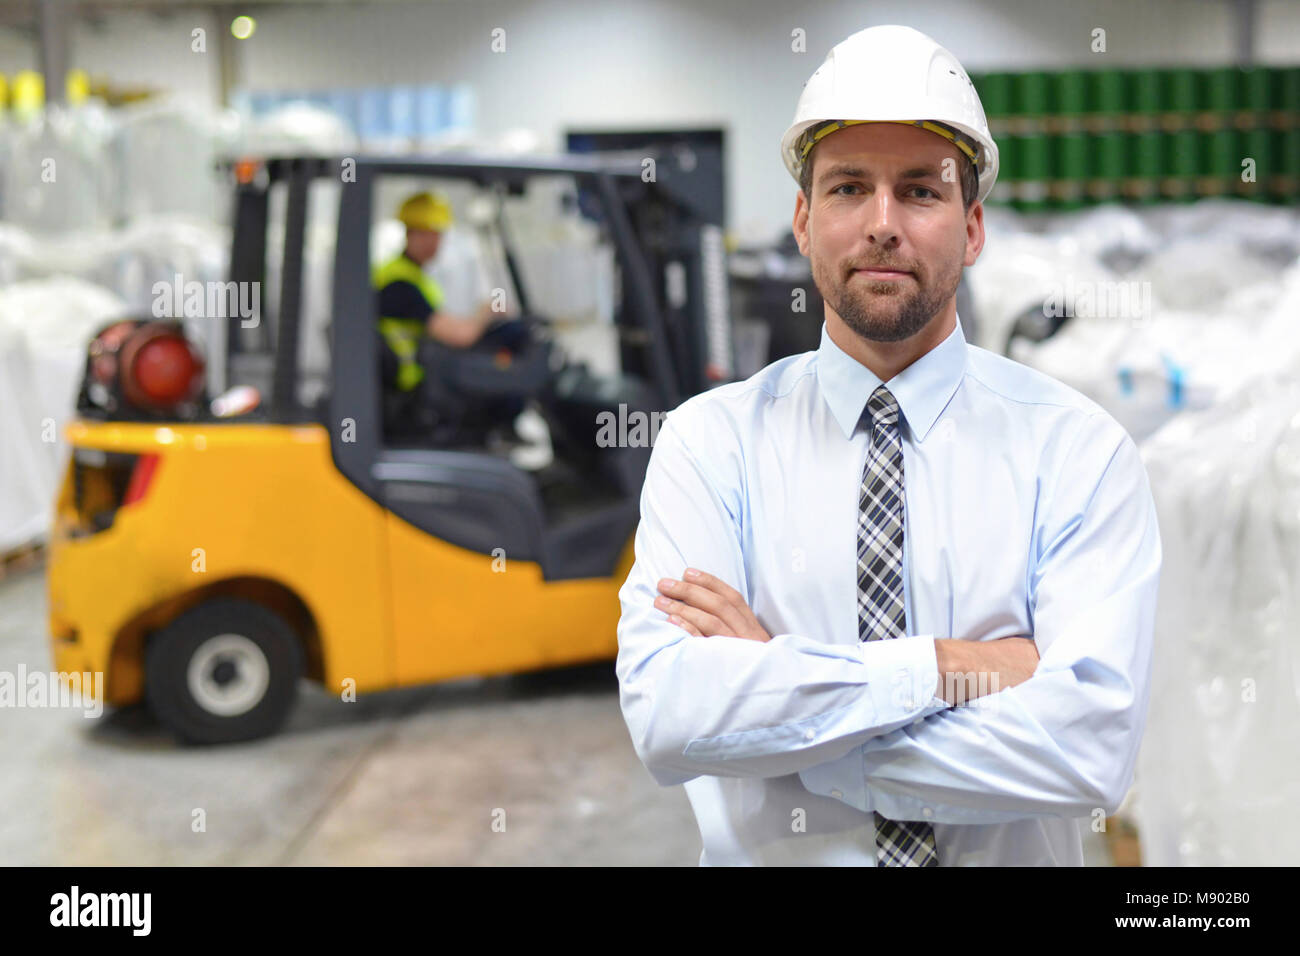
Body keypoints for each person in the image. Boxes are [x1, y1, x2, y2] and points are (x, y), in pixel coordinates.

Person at [615, 24, 1162, 866]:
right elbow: (670, 716)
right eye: (846, 190)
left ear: (973, 228)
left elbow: (1085, 752)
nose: (881, 224)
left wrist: (790, 711)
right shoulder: (707, 447)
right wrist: (947, 668)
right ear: (802, 221)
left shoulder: (1077, 453)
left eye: (920, 190)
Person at [374, 191, 530, 439]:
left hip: (421, 379)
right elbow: (459, 336)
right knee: (497, 380)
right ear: (411, 233)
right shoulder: (399, 284)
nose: (436, 242)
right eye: (429, 234)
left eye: (438, 235)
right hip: (413, 392)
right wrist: (486, 312)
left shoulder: (410, 275)